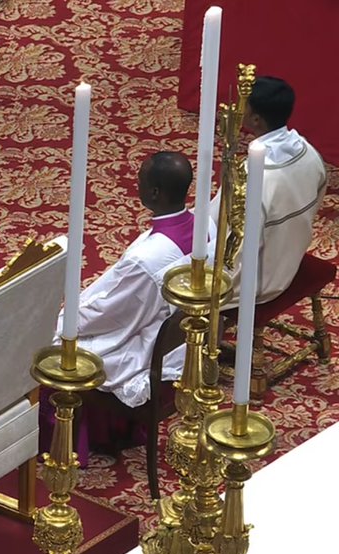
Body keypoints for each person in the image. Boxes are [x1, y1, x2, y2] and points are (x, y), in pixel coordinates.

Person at [41, 152, 195, 462]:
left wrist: (56, 321)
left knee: (52, 348)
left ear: (154, 193)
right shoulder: (203, 227)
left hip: (146, 347)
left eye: (140, 181)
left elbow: (108, 313)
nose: (135, 185)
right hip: (175, 338)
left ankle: (65, 446)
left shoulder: (148, 260)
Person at [215, 76, 327, 304]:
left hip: (258, 279)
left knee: (168, 278)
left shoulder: (254, 177)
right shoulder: (309, 152)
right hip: (290, 256)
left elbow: (227, 234)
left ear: (255, 119)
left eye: (243, 105)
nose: (238, 109)